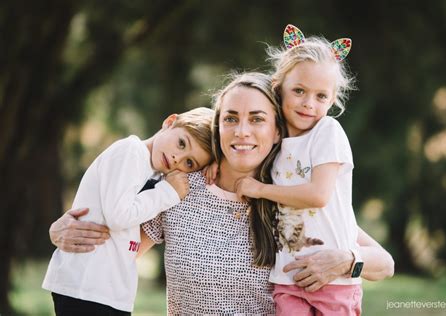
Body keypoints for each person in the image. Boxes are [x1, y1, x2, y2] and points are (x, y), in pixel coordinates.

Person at [49, 73, 394, 314]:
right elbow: (121, 243)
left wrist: (348, 260)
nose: (242, 131)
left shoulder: (290, 197)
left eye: (257, 119)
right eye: (231, 118)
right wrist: (59, 231)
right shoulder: (180, 188)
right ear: (219, 126)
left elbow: (385, 264)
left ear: (276, 132)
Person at [231, 25, 367, 315]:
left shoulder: (327, 132)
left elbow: (319, 195)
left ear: (332, 100)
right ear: (279, 87)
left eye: (321, 96)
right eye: (299, 91)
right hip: (287, 278)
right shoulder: (275, 142)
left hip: (335, 281)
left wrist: (260, 190)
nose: (309, 104)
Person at [42, 107, 214, 315]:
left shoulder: (153, 174)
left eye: (189, 162)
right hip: (85, 285)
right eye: (181, 143)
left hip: (109, 291)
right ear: (169, 122)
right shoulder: (130, 152)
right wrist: (168, 192)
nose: (178, 158)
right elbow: (119, 216)